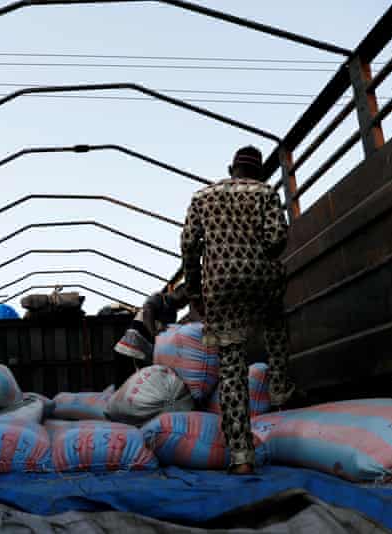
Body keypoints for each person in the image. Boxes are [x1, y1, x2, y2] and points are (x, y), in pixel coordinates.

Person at [180, 145, 294, 475]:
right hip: (261, 279)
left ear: (231, 168)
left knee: (231, 368)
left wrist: (194, 290)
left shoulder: (202, 197)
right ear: (259, 172)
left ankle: (242, 456)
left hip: (219, 286)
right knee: (275, 326)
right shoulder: (266, 192)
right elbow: (277, 239)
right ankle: (279, 391)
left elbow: (189, 246)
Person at [113, 285, 189, 362]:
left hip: (146, 348)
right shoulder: (159, 297)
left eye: (186, 303)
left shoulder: (173, 314)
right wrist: (154, 332)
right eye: (183, 300)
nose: (183, 305)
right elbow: (148, 311)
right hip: (134, 343)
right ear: (176, 292)